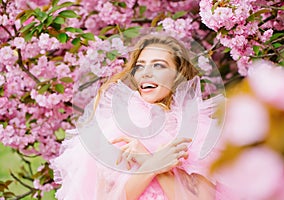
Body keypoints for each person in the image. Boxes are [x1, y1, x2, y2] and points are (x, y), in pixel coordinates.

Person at [51, 34, 225, 200]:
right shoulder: (118, 128)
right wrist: (151, 166)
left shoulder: (198, 131)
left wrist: (154, 163)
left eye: (158, 65)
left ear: (177, 75)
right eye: (140, 66)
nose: (145, 73)